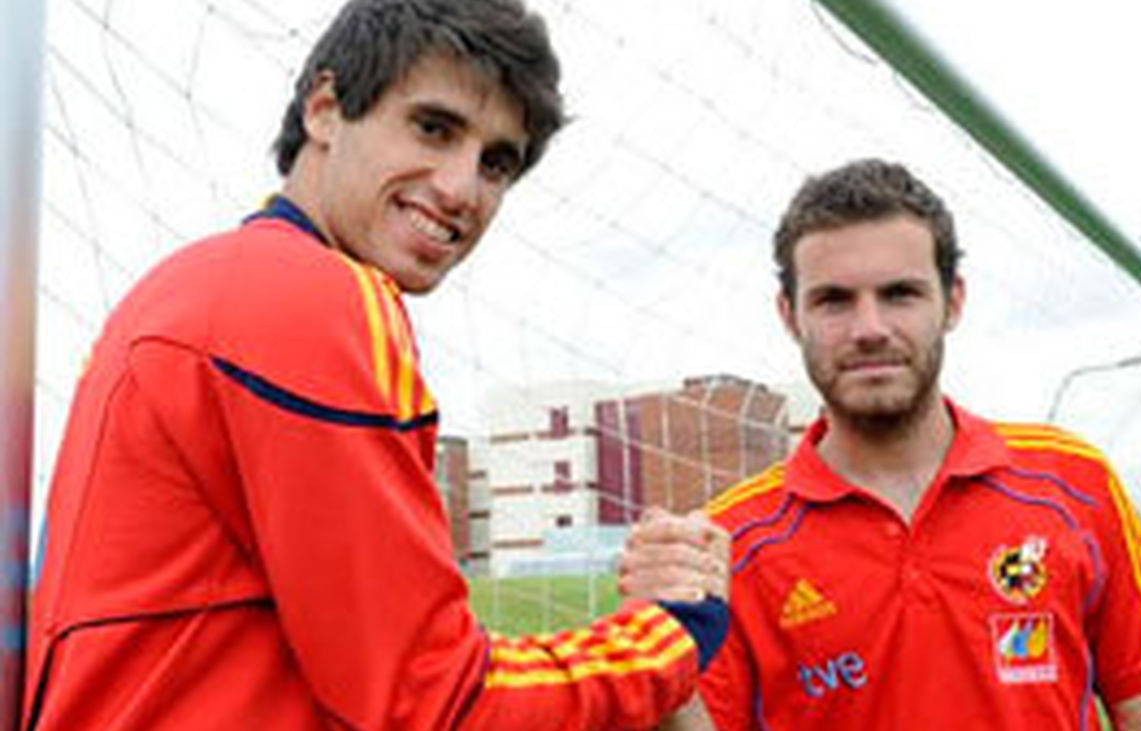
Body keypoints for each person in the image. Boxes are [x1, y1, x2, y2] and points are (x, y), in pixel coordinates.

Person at [22, 1, 729, 729]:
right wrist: (670, 635)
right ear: (325, 110)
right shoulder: (313, 297)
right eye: (434, 127)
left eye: (495, 163)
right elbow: (434, 700)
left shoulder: (187, 286)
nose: (460, 189)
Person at [662, 159, 1141, 730]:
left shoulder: (1073, 481)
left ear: (953, 302)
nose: (869, 328)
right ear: (790, 316)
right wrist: (662, 666)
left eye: (900, 294)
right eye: (834, 300)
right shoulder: (731, 543)